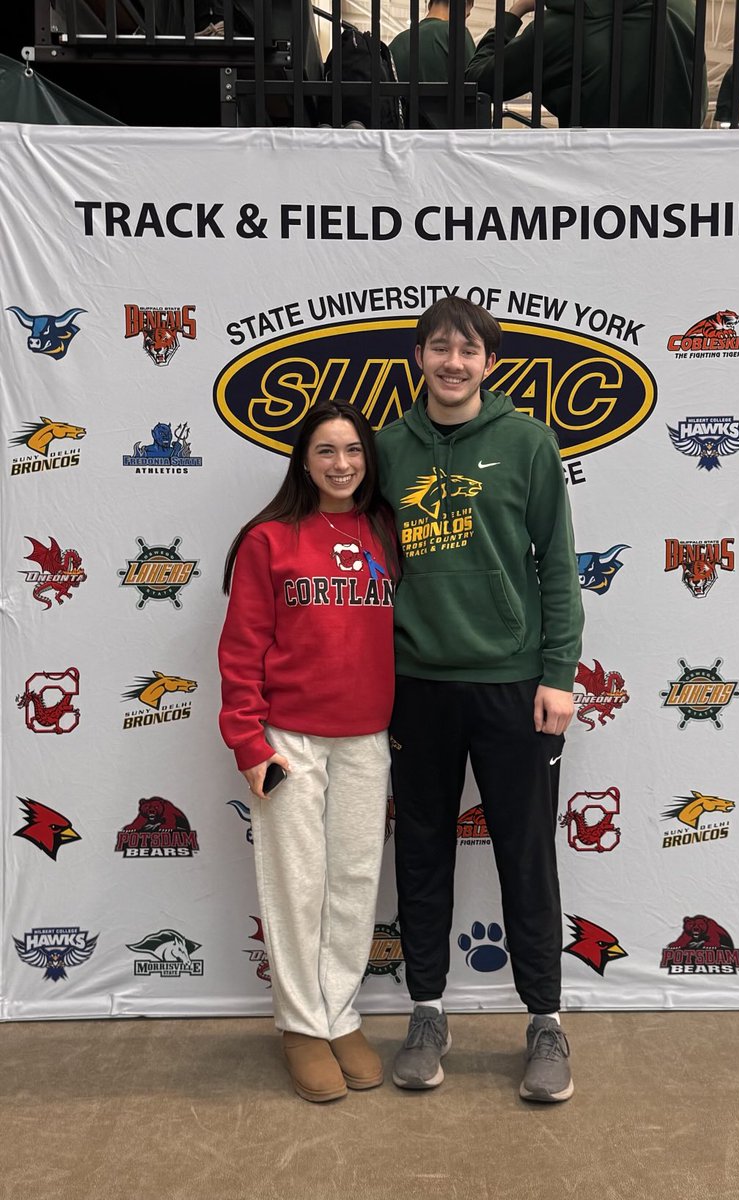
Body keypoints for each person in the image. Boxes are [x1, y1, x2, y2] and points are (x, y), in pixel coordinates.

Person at [376, 297, 584, 1103]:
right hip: (417, 685)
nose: (453, 362)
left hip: (512, 685)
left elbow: (556, 564)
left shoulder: (528, 442)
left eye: (467, 351)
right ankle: (426, 1013)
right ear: (419, 357)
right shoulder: (385, 449)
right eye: (439, 348)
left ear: (488, 364)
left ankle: (546, 1022)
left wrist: (558, 672)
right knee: (421, 852)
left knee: (525, 856)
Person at [218, 401, 397, 1103]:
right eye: (325, 450)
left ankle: (340, 1015)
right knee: (297, 887)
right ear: (303, 460)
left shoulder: (385, 530)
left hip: (366, 737)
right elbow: (241, 649)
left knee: (353, 882)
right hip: (287, 739)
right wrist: (247, 739)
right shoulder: (268, 539)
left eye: (352, 450)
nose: (341, 464)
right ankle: (300, 1025)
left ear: (368, 458)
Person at [466, 0, 706, 128]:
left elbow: (477, 81)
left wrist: (514, 12)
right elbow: (698, 104)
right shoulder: (683, 9)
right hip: (675, 177)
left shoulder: (558, 28)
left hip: (594, 180)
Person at [389, 0, 476, 128]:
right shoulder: (457, 34)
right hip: (448, 135)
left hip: (402, 135)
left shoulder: (396, 43)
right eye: (467, 14)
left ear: (430, 4)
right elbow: (475, 88)